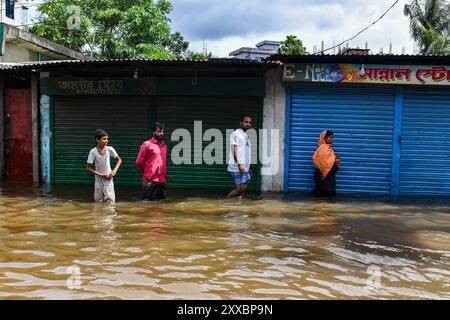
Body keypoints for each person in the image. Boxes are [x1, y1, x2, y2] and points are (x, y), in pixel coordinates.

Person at [86, 129, 122, 203]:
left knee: (110, 202)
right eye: (104, 139)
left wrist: (114, 171)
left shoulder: (110, 149)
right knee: (98, 202)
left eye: (107, 139)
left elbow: (119, 160)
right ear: (97, 140)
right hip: (98, 179)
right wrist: (100, 175)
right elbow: (88, 168)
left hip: (109, 178)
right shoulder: (93, 152)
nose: (106, 141)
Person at [136, 122, 168, 201]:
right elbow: (139, 162)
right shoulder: (147, 144)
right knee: (147, 202)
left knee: (161, 202)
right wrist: (148, 173)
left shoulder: (164, 145)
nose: (161, 133)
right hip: (150, 180)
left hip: (162, 180)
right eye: (159, 131)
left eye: (162, 131)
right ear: (153, 132)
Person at [227, 115, 252, 198]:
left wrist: (249, 167)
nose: (248, 124)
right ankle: (225, 202)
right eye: (246, 122)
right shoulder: (236, 134)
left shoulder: (246, 135)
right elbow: (234, 150)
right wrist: (239, 164)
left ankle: (239, 206)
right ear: (241, 123)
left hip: (245, 167)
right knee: (239, 188)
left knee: (244, 188)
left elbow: (245, 152)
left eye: (249, 122)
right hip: (237, 167)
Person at [312, 130, 341, 197]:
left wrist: (335, 161)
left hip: (326, 177)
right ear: (324, 139)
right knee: (327, 197)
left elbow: (329, 162)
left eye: (332, 137)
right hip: (324, 177)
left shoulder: (327, 148)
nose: (332, 139)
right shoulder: (323, 149)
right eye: (330, 137)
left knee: (321, 197)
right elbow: (326, 164)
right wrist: (335, 160)